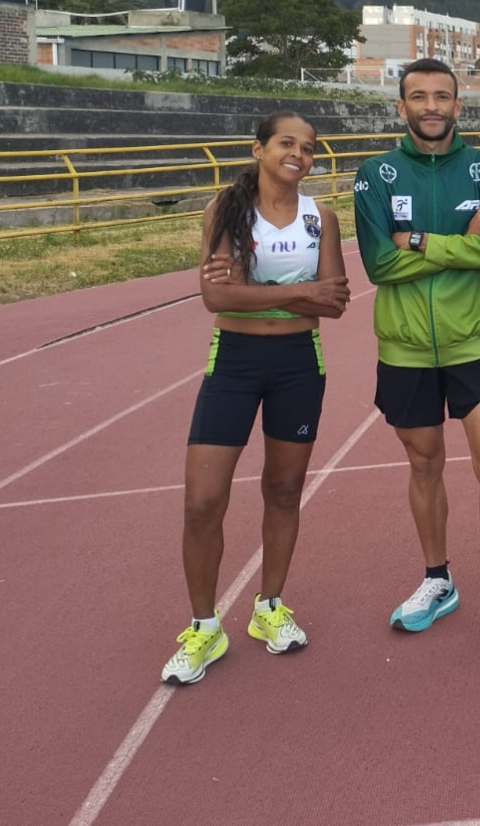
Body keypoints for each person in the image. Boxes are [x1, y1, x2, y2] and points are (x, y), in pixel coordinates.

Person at [353, 58, 480, 655]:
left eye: (442, 96)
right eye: (418, 97)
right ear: (402, 106)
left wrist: (416, 240)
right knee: (425, 467)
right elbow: (379, 263)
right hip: (404, 350)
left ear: (460, 105)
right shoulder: (375, 174)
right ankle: (438, 581)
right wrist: (464, 240)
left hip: (476, 343)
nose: (431, 106)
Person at [162, 112, 349, 684]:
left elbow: (336, 302)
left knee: (285, 490)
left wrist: (259, 291)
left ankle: (269, 608)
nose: (298, 154)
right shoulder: (227, 209)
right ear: (259, 149)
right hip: (235, 365)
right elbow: (216, 298)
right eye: (286, 143)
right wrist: (298, 290)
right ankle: (204, 627)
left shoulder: (323, 218)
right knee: (202, 501)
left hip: (299, 365)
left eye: (309, 148)